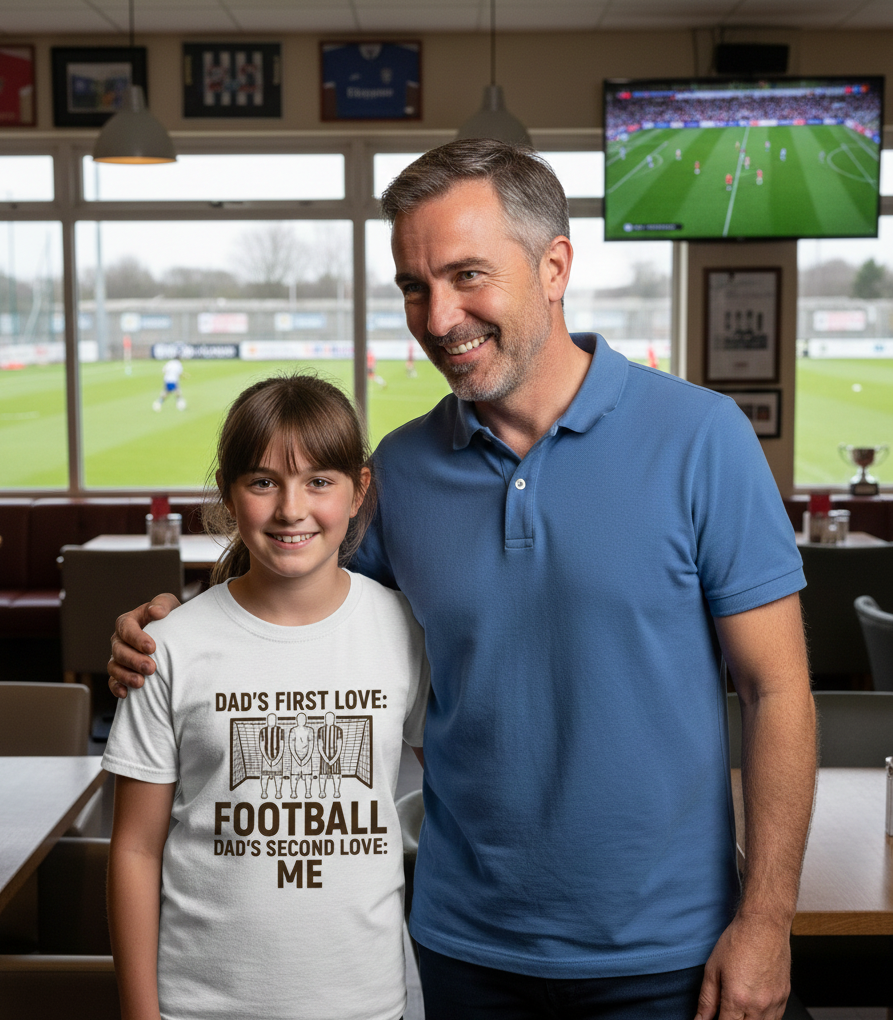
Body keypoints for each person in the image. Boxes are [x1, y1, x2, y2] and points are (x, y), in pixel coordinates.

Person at [110, 140, 816, 1020]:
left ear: (553, 265)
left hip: (669, 955)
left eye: (466, 275)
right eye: (413, 285)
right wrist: (172, 624)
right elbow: (291, 599)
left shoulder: (702, 438)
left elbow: (776, 686)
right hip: (457, 951)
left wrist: (767, 918)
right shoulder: (398, 468)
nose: (438, 317)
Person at [103, 373, 430, 1020]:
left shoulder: (406, 632)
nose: (290, 508)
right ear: (228, 492)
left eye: (318, 481)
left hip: (366, 1001)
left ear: (359, 489)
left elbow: (459, 797)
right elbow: (134, 850)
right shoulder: (168, 648)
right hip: (199, 1005)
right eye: (262, 482)